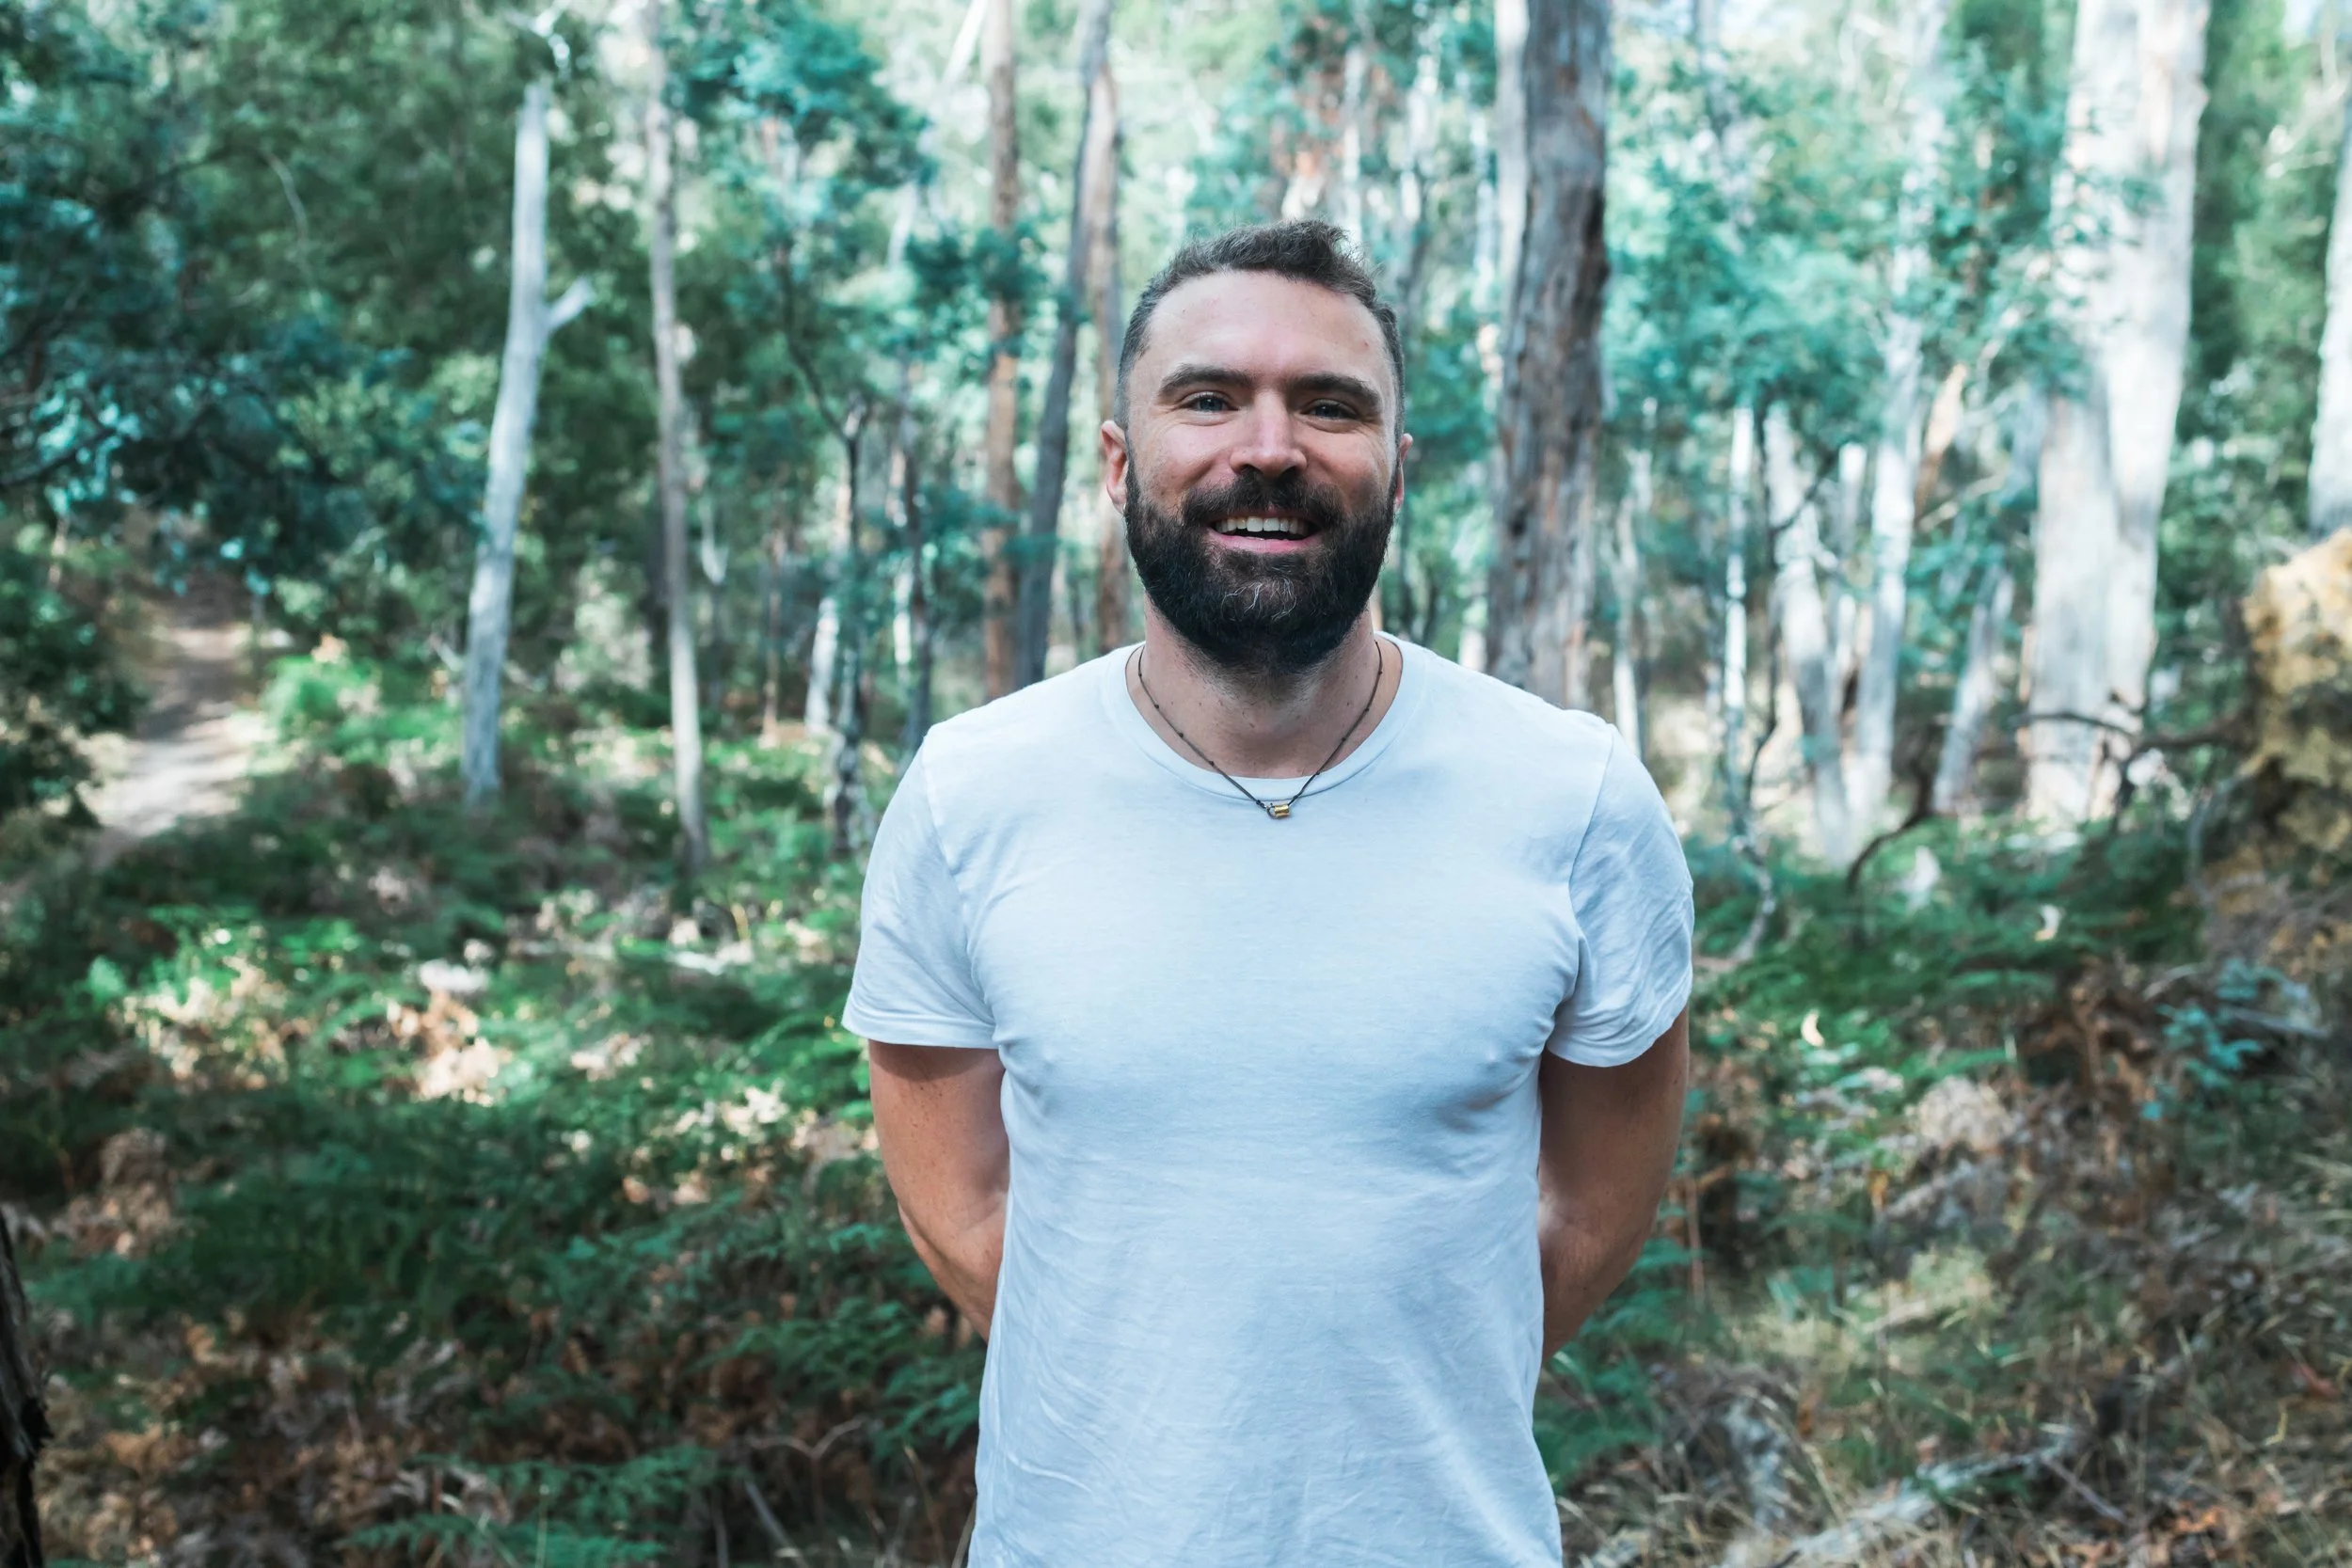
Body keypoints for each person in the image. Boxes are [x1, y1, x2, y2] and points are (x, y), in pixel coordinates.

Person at [845, 220, 1693, 1568]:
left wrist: (1404, 1368)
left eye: (1331, 405)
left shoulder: (1573, 797)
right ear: (1120, 463)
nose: (1270, 448)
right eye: (1208, 396)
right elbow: (965, 1217)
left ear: (1396, 469)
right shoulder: (970, 795)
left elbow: (1593, 1212)